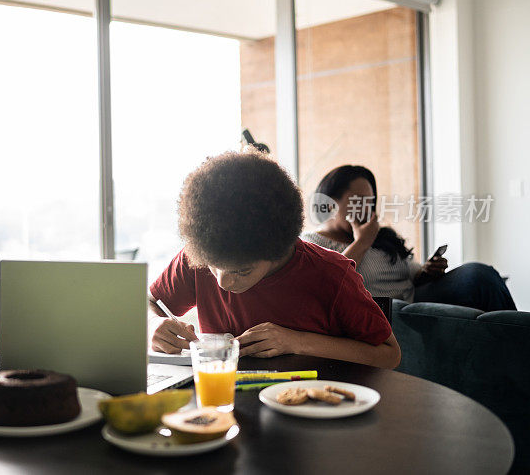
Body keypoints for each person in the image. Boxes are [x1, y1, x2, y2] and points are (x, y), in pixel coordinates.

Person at [149, 150, 401, 369]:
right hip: (224, 404)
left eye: (242, 271)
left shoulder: (331, 275)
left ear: (278, 250)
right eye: (215, 268)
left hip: (311, 408)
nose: (224, 281)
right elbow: (151, 304)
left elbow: (389, 355)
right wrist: (155, 326)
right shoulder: (203, 255)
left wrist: (297, 341)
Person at [302, 165, 516, 311]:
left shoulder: (379, 235)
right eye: (358, 201)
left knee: (481, 277)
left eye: (370, 201)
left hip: (419, 296)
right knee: (480, 279)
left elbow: (410, 272)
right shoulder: (313, 243)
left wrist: (425, 272)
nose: (366, 209)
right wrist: (362, 242)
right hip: (395, 313)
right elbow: (327, 284)